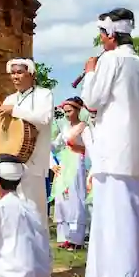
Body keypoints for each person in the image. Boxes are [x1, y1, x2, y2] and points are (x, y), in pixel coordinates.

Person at [79, 8, 139, 277]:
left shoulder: (111, 60)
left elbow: (91, 100)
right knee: (131, 217)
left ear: (110, 34)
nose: (100, 40)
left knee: (112, 218)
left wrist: (90, 73)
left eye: (101, 34)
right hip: (135, 152)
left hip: (112, 151)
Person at [0, 58, 53, 223]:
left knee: (34, 212)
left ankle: (37, 248)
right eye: (12, 73)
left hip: (34, 163)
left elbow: (44, 118)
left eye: (19, 72)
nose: (15, 76)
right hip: (9, 166)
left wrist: (14, 110)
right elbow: (0, 128)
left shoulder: (44, 94)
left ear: (31, 74)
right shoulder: (9, 99)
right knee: (10, 212)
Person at [50, 97, 89, 250]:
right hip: (64, 163)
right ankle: (64, 237)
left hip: (78, 162)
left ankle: (76, 239)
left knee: (75, 197)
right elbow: (55, 145)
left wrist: (81, 151)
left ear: (78, 110)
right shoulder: (65, 129)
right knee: (62, 198)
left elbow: (91, 147)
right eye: (65, 111)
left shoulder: (84, 128)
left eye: (70, 111)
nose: (67, 114)